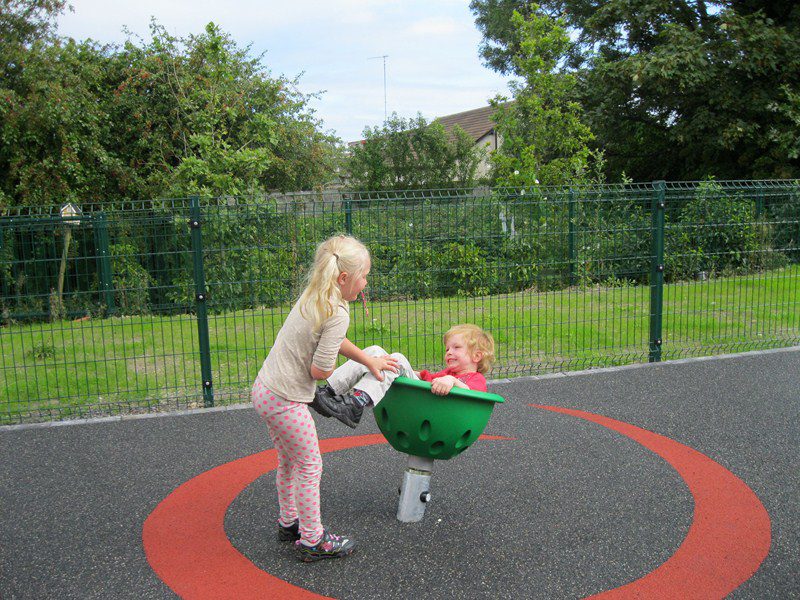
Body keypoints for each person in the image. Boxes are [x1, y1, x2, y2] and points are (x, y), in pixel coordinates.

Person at [251, 234, 399, 562]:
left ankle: (289, 522)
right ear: (344, 278)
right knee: (310, 464)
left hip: (265, 390)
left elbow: (334, 338)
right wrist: (330, 362)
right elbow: (320, 369)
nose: (366, 282)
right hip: (286, 400)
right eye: (364, 276)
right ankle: (312, 539)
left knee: (289, 461)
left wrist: (367, 359)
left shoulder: (317, 294)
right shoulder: (337, 311)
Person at [311, 324, 495, 429]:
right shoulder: (446, 374)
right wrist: (402, 369)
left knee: (396, 358)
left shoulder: (474, 378)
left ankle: (357, 403)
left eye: (456, 348)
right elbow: (425, 378)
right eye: (447, 349)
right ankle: (330, 390)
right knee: (376, 353)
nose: (448, 352)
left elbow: (474, 395)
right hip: (422, 401)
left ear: (476, 356)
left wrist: (452, 381)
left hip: (430, 411)